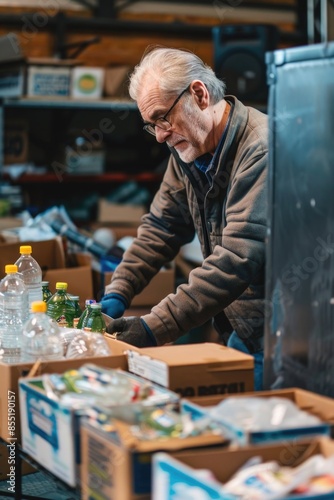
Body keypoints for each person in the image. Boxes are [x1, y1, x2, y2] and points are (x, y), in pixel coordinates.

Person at [101, 46, 268, 390]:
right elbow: (161, 228)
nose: (160, 135)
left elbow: (236, 260)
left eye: (163, 117)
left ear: (199, 94)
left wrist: (151, 328)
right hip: (243, 330)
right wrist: (116, 295)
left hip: (286, 335)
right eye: (152, 126)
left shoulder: (260, 150)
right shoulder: (189, 149)